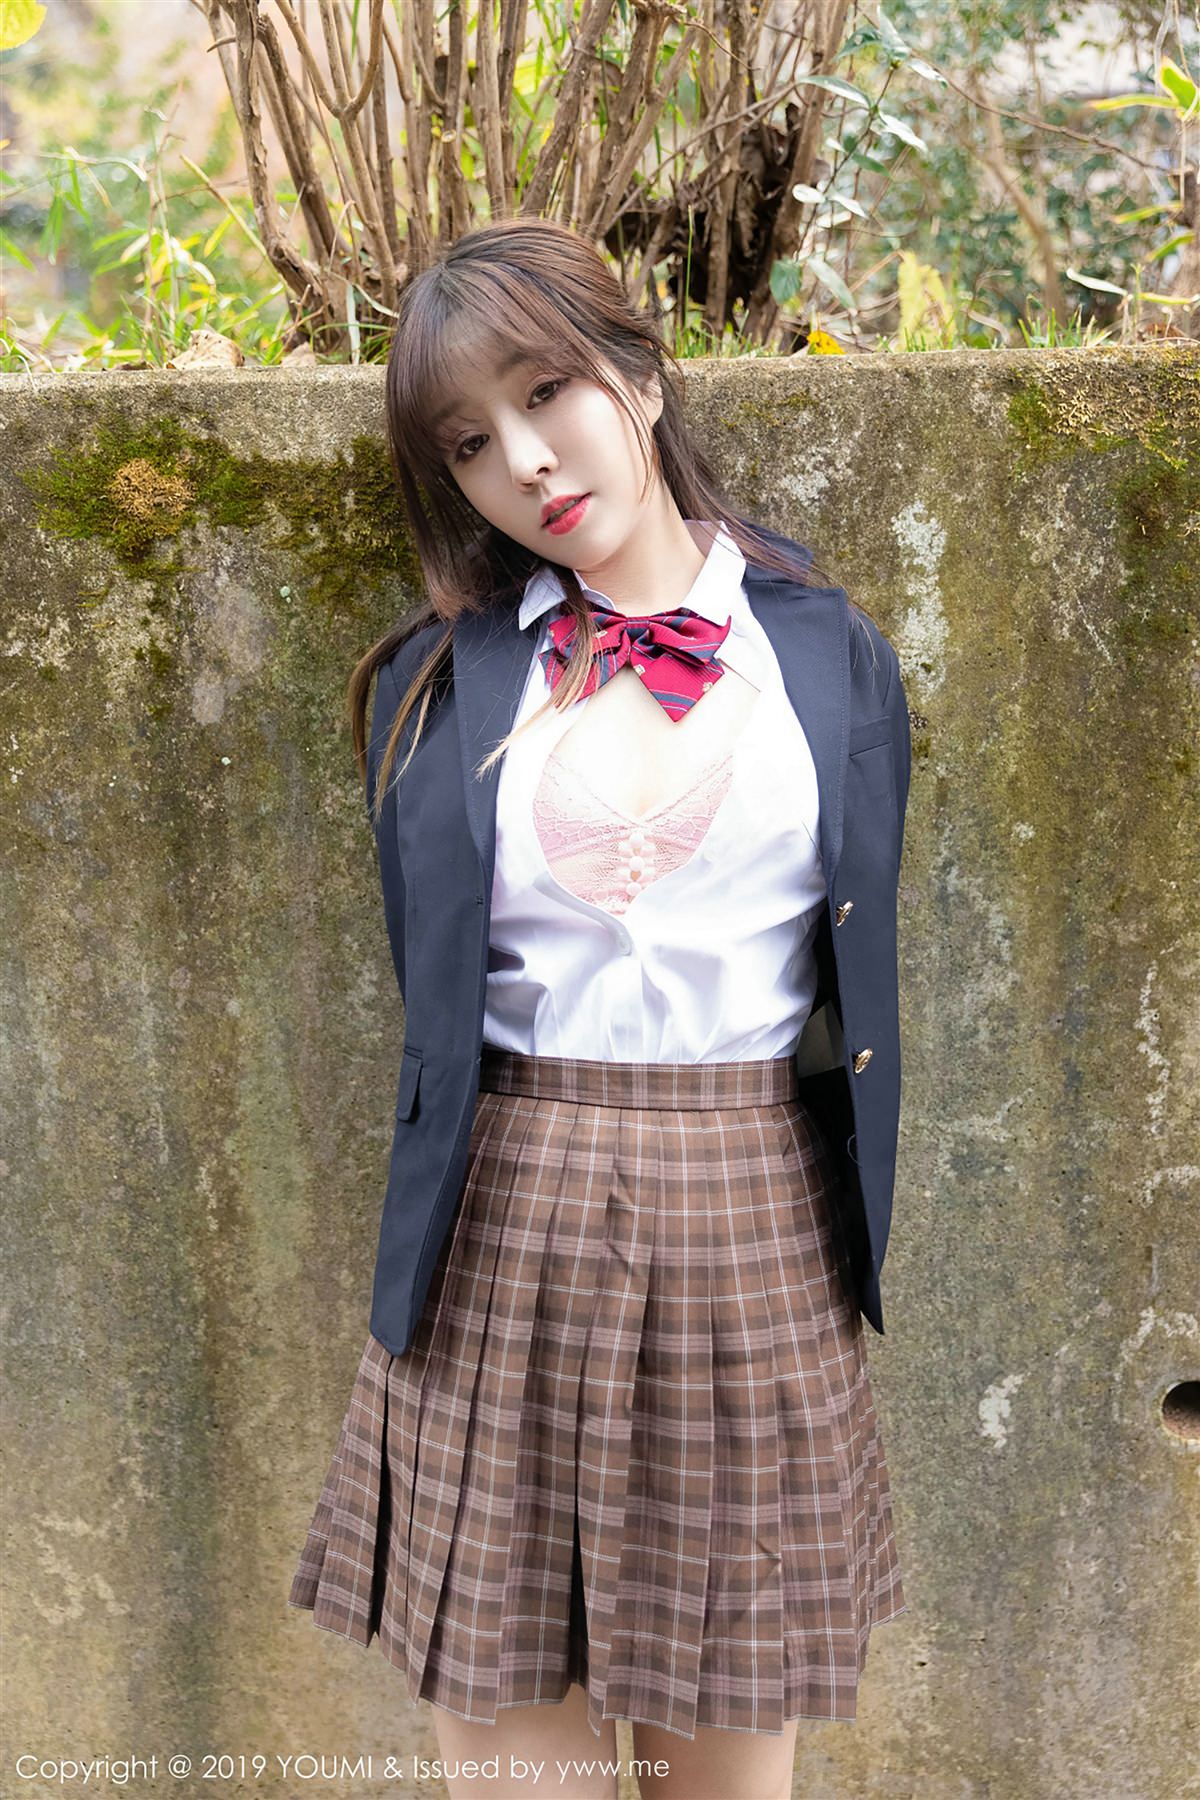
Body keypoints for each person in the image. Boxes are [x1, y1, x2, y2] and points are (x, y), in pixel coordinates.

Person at [289, 216, 912, 1800]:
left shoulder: (829, 663)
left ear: (639, 371)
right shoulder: (441, 686)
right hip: (498, 1232)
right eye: (468, 443)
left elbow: (852, 973)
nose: (524, 462)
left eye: (546, 391)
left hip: (752, 1227)